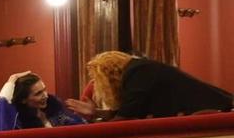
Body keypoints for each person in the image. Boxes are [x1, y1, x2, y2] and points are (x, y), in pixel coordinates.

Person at [85, 50, 231, 119]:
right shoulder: (139, 69)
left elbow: (125, 117)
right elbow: (131, 110)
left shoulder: (137, 72)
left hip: (219, 114)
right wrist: (96, 113)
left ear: (109, 76)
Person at [0, 72, 87, 131]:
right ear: (23, 100)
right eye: (38, 93)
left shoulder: (54, 107)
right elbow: (1, 121)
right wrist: (11, 81)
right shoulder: (18, 122)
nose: (45, 95)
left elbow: (80, 130)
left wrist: (93, 114)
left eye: (44, 90)